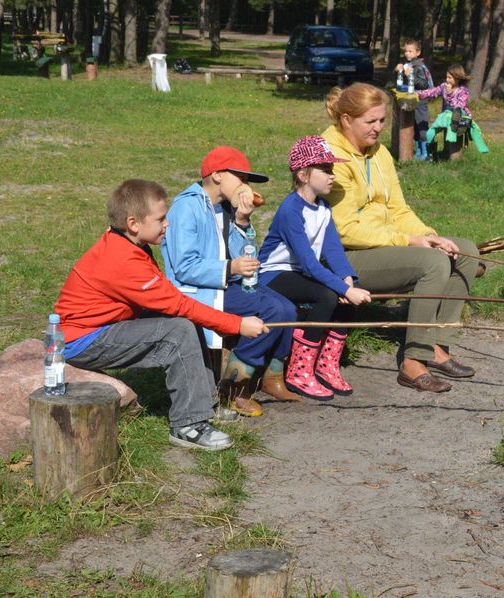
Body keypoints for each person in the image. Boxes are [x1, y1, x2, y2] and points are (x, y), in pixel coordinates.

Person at [54, 179, 268, 451]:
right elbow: (179, 304)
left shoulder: (128, 243)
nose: (167, 224)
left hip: (103, 325)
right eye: (161, 219)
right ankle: (188, 424)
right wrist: (236, 324)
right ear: (134, 223)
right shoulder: (124, 259)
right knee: (177, 330)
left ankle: (204, 404)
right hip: (81, 341)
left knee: (185, 321)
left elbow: (171, 300)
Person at [321, 82, 479, 393]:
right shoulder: (331, 156)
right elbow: (344, 230)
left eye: (382, 120)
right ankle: (413, 361)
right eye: (371, 122)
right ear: (346, 120)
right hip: (343, 257)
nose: (379, 128)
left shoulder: (379, 154)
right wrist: (409, 242)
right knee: (432, 263)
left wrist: (431, 236)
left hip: (383, 245)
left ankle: (437, 344)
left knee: (465, 252)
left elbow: (399, 209)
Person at [162, 146, 299, 417]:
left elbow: (244, 255)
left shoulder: (224, 208)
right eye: (240, 177)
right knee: (271, 310)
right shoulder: (186, 207)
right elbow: (184, 266)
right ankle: (234, 386)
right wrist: (229, 267)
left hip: (228, 282)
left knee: (287, 308)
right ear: (216, 175)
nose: (244, 185)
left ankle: (272, 376)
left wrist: (243, 221)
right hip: (200, 290)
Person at [259, 136, 372, 400]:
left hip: (297, 273)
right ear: (303, 174)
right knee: (327, 295)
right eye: (326, 170)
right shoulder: (291, 209)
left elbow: (333, 250)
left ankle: (326, 364)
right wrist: (341, 287)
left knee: (347, 297)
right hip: (272, 273)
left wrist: (348, 281)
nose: (332, 175)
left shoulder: (323, 208)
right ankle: (299, 370)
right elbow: (309, 262)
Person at [417, 64, 489, 158]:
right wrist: (417, 94)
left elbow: (459, 106)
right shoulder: (444, 87)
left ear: (458, 78)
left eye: (450, 78)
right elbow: (431, 92)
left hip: (460, 114)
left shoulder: (463, 91)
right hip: (445, 116)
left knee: (456, 113)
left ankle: (458, 125)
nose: (447, 80)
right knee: (430, 133)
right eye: (446, 77)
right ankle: (432, 155)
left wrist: (450, 94)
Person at [395, 39, 434, 161]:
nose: (407, 54)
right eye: (406, 51)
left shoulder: (419, 66)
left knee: (422, 125)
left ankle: (426, 152)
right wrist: (398, 71)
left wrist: (409, 75)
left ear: (418, 52)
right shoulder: (408, 64)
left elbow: (424, 84)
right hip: (411, 99)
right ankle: (418, 151)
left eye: (410, 51)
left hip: (420, 100)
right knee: (415, 126)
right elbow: (402, 82)